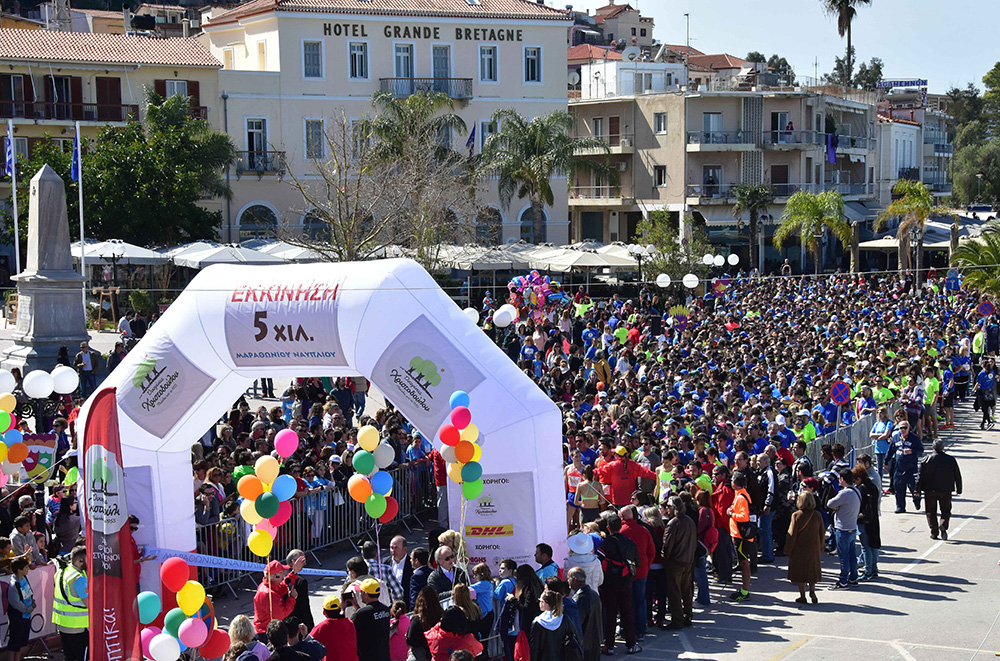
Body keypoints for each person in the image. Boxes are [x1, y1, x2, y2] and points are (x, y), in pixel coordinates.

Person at [597, 514, 640, 655]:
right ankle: (631, 644)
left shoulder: (604, 544)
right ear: (620, 526)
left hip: (608, 584)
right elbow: (637, 562)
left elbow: (598, 562)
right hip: (626, 582)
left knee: (610, 614)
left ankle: (608, 646)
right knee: (627, 613)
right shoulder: (630, 542)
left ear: (608, 528)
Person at [660, 495, 696, 629]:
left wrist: (665, 558)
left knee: (674, 592)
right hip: (688, 561)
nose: (667, 509)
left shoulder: (673, 523)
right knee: (687, 590)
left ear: (674, 508)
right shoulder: (689, 521)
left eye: (669, 507)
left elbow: (667, 544)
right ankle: (688, 615)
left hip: (676, 562)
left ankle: (677, 620)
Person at [917, 440, 963, 541]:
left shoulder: (926, 459)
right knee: (946, 510)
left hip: (929, 490)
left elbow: (920, 476)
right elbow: (957, 475)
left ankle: (934, 532)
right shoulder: (950, 460)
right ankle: (943, 523)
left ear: (933, 448)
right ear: (943, 448)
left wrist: (918, 490)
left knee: (930, 511)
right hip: (945, 490)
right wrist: (959, 489)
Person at [784, 491, 823, 604]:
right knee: (811, 570)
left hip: (799, 548)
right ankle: (812, 591)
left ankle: (802, 596)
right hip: (813, 547)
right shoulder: (817, 515)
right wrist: (821, 546)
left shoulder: (796, 515)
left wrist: (788, 549)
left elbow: (792, 534)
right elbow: (821, 532)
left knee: (800, 572)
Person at [52, 545, 88, 661]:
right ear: (80, 560)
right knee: (81, 657)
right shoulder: (79, 578)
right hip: (78, 627)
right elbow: (89, 604)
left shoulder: (61, 572)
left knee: (69, 657)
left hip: (63, 625)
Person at [827, 468, 861, 589]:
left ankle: (843, 580)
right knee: (851, 555)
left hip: (842, 528)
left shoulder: (844, 493)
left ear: (842, 479)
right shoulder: (856, 490)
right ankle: (853, 577)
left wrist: (837, 506)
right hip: (852, 526)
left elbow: (829, 503)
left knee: (843, 556)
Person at [529, 589, 582, 661]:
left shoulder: (537, 622)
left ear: (544, 603)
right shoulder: (565, 619)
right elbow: (578, 639)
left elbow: (534, 650)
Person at [728, 471, 754, 602]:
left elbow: (744, 517)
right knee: (743, 562)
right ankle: (744, 589)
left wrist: (731, 514)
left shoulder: (741, 497)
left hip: (742, 536)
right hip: (739, 535)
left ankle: (744, 591)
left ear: (735, 483)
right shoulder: (740, 494)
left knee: (744, 563)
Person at [255, 560, 298, 637]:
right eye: (282, 573)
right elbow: (281, 614)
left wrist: (293, 573)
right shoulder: (268, 594)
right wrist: (292, 598)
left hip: (268, 630)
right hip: (266, 633)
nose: (284, 574)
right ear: (276, 576)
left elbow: (282, 587)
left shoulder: (269, 585)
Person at [853, 465, 882, 581]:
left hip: (863, 520)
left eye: (855, 480)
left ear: (859, 478)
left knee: (865, 547)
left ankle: (868, 571)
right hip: (874, 519)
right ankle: (874, 569)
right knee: (874, 544)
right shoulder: (872, 486)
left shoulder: (861, 489)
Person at [568, 567, 603, 661]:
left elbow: (577, 623)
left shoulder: (580, 598)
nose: (568, 581)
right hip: (595, 641)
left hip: (586, 643)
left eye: (568, 578)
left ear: (574, 580)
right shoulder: (593, 594)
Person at [352, 579, 392, 661]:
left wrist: (343, 609)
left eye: (361, 592)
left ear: (365, 594)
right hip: (384, 657)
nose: (359, 594)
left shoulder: (361, 614)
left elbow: (348, 628)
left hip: (367, 657)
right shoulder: (385, 609)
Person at [891, 422, 924, 514]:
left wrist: (912, 451)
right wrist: (886, 462)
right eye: (901, 428)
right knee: (899, 488)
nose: (903, 430)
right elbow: (891, 450)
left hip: (911, 468)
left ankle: (917, 501)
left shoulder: (914, 438)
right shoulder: (896, 437)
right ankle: (900, 507)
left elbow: (921, 450)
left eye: (905, 428)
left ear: (909, 428)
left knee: (914, 488)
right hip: (899, 468)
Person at [6, 558, 34, 661]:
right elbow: (16, 603)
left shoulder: (24, 578)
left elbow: (28, 593)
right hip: (18, 617)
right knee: (14, 643)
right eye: (26, 568)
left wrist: (32, 601)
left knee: (21, 643)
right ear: (19, 570)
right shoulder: (14, 585)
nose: (28, 569)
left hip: (26, 616)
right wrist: (28, 609)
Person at [406, 586, 442, 661]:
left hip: (421, 655)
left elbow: (410, 640)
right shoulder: (441, 616)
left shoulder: (417, 619)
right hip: (437, 652)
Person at [388, 536, 412, 604]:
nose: (393, 551)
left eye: (396, 548)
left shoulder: (411, 564)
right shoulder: (385, 563)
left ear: (404, 549)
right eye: (391, 548)